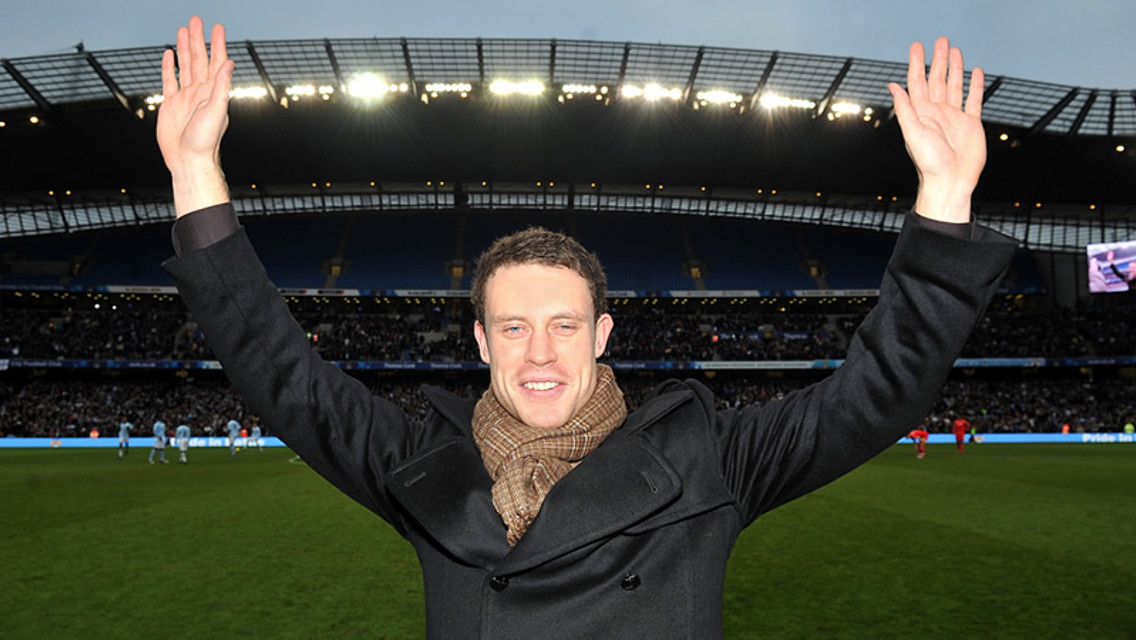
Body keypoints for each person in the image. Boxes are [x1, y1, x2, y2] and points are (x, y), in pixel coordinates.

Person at [157, 17, 1016, 638]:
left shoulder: (705, 458)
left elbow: (878, 390)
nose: (540, 353)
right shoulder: (422, 464)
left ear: (602, 335)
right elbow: (280, 373)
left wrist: (943, 200)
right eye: (516, 328)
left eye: (564, 326)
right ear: (482, 343)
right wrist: (196, 170)